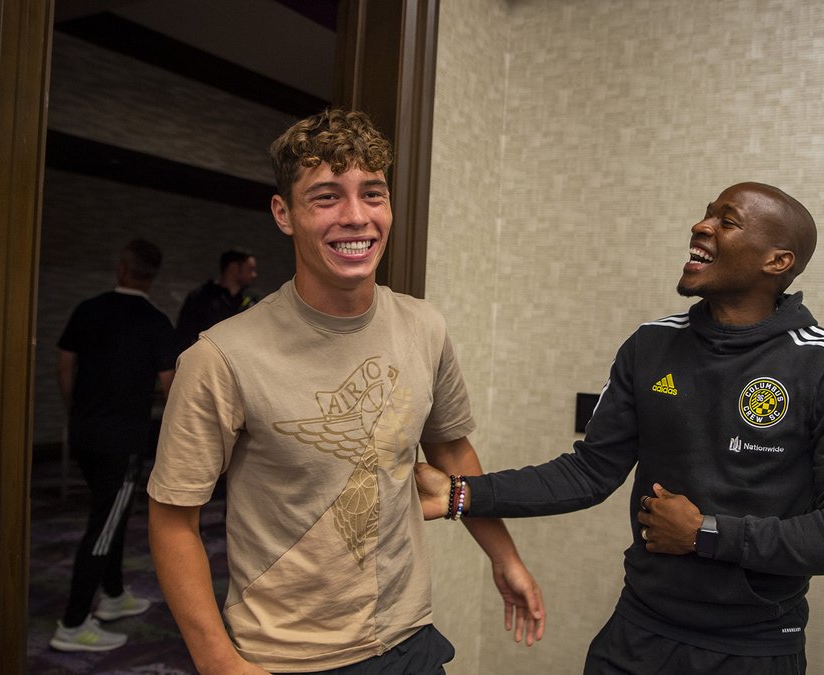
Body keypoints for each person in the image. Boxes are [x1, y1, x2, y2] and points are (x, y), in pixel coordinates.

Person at [416, 182, 824, 674]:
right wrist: (461, 494)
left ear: (777, 262)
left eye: (726, 221)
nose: (700, 226)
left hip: (753, 648)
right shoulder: (651, 346)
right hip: (639, 634)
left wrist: (706, 534)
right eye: (706, 214)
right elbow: (590, 472)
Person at [147, 109, 545, 674]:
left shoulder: (424, 327)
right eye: (327, 197)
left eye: (373, 194)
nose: (357, 218)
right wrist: (218, 663)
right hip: (288, 654)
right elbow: (172, 518)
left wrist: (503, 557)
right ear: (283, 213)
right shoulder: (221, 357)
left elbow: (451, 451)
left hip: (410, 636)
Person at [50, 238, 178, 652]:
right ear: (151, 278)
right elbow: (170, 385)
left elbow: (65, 364)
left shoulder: (88, 309)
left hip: (84, 433)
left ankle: (115, 594)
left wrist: (76, 408)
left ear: (122, 270)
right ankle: (72, 625)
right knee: (104, 527)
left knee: (111, 512)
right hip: (122, 441)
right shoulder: (156, 321)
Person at [175, 248, 260, 353]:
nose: (254, 275)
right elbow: (183, 337)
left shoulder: (251, 303)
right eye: (250, 269)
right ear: (233, 268)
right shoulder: (201, 298)